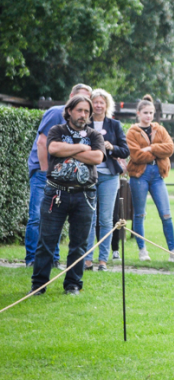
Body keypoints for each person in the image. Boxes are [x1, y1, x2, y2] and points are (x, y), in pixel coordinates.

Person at [29, 95, 106, 296]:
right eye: (79, 110)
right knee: (46, 241)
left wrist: (67, 151)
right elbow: (53, 148)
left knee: (79, 244)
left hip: (84, 196)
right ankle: (38, 285)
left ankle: (73, 285)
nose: (83, 115)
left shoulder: (95, 135)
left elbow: (97, 157)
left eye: (86, 112)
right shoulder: (57, 130)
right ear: (70, 111)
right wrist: (81, 148)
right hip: (56, 194)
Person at [25, 83, 92, 267]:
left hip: (62, 174)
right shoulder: (56, 112)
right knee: (38, 216)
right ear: (71, 96)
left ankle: (53, 260)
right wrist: (47, 173)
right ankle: (31, 259)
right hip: (43, 171)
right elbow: (42, 143)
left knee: (54, 216)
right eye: (79, 97)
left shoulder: (81, 120)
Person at [126, 95, 174, 262]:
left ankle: (173, 251)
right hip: (139, 175)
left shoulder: (160, 129)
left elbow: (170, 148)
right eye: (145, 113)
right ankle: (143, 251)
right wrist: (157, 152)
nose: (148, 116)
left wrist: (150, 147)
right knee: (140, 214)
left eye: (151, 113)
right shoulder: (132, 132)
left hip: (158, 175)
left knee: (166, 214)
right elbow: (136, 156)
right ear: (138, 113)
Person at [84, 89, 128, 271]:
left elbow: (125, 151)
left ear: (107, 105)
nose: (98, 105)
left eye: (102, 102)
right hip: (88, 175)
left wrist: (112, 147)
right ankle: (87, 259)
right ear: (90, 104)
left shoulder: (115, 125)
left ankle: (103, 260)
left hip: (109, 176)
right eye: (95, 102)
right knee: (89, 218)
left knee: (106, 219)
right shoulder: (84, 124)